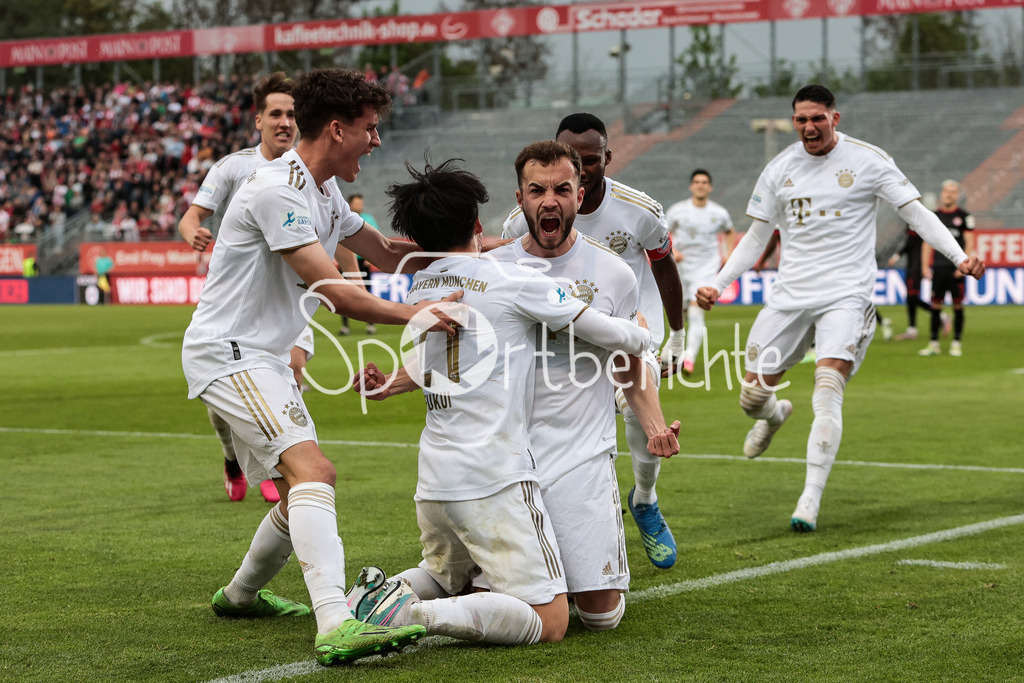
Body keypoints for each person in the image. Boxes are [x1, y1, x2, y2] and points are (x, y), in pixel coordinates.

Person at [182, 68, 461, 665]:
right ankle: (336, 622)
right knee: (313, 472)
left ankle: (239, 596)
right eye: (370, 129)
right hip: (230, 352)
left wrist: (484, 249)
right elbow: (339, 293)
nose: (377, 141)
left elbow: (387, 253)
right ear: (337, 129)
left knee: (305, 485)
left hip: (261, 357)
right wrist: (419, 312)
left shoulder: (325, 191)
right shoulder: (272, 190)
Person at [350, 157, 654, 647]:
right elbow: (596, 327)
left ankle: (373, 598)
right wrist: (640, 336)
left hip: (433, 479)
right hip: (494, 477)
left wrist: (392, 381)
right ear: (476, 225)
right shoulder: (512, 280)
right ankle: (415, 616)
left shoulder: (422, 285)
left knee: (444, 574)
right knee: (551, 621)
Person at [696, 85, 984, 533]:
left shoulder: (869, 160)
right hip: (790, 296)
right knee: (751, 395)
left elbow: (916, 214)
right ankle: (774, 415)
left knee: (827, 384)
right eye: (800, 120)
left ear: (835, 117)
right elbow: (756, 237)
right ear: (794, 122)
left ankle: (809, 500)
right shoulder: (779, 169)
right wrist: (718, 283)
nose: (809, 127)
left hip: (847, 294)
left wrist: (958, 257)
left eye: (817, 118)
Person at [490, 140, 680, 630]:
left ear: (579, 195)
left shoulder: (613, 274)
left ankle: (565, 570)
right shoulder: (495, 268)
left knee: (603, 617)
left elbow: (629, 363)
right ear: (520, 198)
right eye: (537, 190)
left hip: (581, 456)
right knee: (503, 597)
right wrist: (400, 379)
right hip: (509, 460)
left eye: (561, 189)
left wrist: (655, 425)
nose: (549, 199)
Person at [178, 72, 303, 504]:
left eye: (291, 114)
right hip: (239, 304)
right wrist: (193, 232)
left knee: (290, 383)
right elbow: (191, 216)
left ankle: (277, 469)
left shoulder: (310, 174)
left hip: (289, 301)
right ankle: (233, 458)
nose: (285, 122)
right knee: (221, 407)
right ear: (258, 121)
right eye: (275, 114)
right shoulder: (235, 166)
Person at [666, 169, 735, 375]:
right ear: (691, 186)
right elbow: (663, 233)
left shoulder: (719, 213)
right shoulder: (678, 211)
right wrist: (674, 250)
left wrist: (728, 254)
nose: (701, 185)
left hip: (706, 268)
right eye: (697, 182)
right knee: (683, 313)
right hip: (681, 268)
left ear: (710, 187)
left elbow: (729, 231)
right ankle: (679, 353)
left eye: (705, 182)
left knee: (696, 312)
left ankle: (689, 359)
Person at [919, 180, 975, 357]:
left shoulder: (964, 216)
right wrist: (924, 266)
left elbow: (969, 242)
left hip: (956, 268)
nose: (949, 194)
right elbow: (927, 243)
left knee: (957, 305)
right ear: (941, 193)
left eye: (952, 192)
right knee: (936, 305)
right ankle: (933, 343)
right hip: (939, 267)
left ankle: (956, 343)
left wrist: (963, 264)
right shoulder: (933, 216)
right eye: (946, 191)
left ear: (957, 195)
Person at [336, 193, 378, 336]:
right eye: (357, 203)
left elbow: (376, 240)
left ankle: (370, 323)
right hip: (346, 262)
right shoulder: (341, 219)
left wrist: (371, 257)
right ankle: (345, 326)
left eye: (361, 203)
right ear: (349, 204)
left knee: (366, 292)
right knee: (344, 293)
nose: (360, 205)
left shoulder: (368, 219)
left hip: (362, 262)